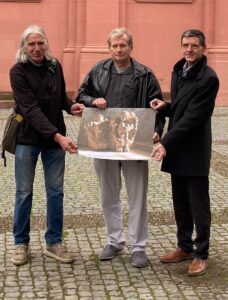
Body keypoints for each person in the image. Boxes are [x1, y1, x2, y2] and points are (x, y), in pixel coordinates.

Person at [76, 27, 164, 268]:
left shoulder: (145, 74)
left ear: (131, 47)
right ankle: (114, 241)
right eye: (114, 46)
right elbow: (80, 95)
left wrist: (156, 129)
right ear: (109, 48)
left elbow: (157, 106)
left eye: (123, 45)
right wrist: (92, 100)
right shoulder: (98, 70)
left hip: (135, 141)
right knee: (108, 194)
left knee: (137, 195)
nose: (118, 49)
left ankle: (139, 246)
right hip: (103, 142)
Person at [10, 25, 84, 266]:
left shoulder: (55, 66)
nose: (37, 48)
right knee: (24, 193)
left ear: (46, 44)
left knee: (56, 192)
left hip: (53, 142)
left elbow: (60, 96)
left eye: (40, 43)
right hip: (28, 139)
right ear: (24, 46)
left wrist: (71, 106)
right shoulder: (18, 71)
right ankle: (21, 243)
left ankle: (54, 242)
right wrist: (59, 137)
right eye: (31, 44)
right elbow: (30, 110)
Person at [150, 29, 219, 276]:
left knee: (199, 205)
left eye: (194, 46)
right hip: (178, 148)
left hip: (194, 149)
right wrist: (166, 106)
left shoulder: (208, 78)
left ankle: (201, 254)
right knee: (180, 202)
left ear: (203, 49)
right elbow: (181, 107)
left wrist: (165, 142)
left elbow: (193, 117)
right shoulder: (179, 71)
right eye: (185, 45)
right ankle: (184, 247)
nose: (189, 49)